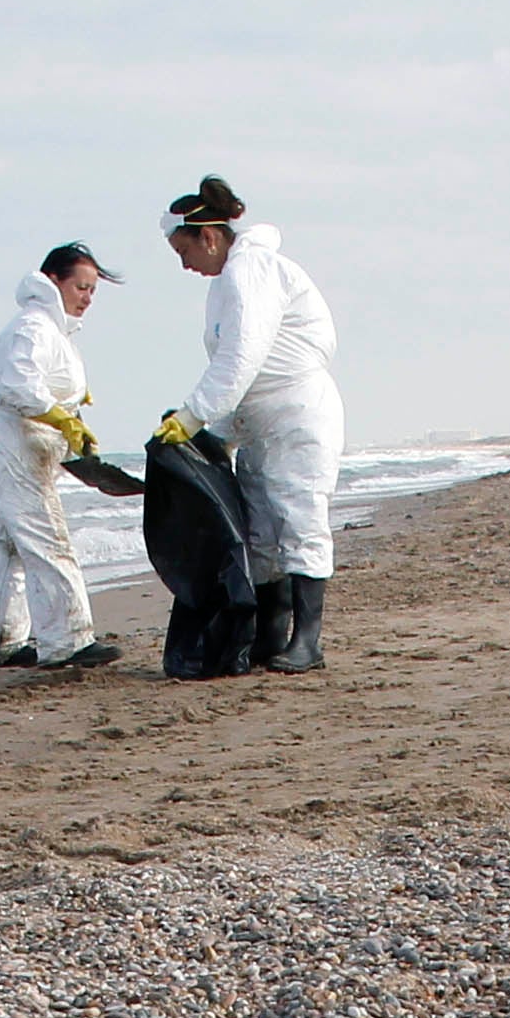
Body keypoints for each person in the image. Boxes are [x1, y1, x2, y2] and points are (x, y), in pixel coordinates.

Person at [153, 177, 341, 673]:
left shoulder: (253, 270)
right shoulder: (229, 283)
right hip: (260, 422)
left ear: (209, 237)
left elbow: (242, 357)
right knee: (261, 533)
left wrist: (194, 415)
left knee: (299, 520)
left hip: (296, 415)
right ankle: (269, 637)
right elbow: (240, 370)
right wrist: (218, 434)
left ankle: (309, 642)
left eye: (183, 249)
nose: (184, 263)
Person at [0, 244, 120, 670]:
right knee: (48, 538)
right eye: (81, 287)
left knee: (14, 546)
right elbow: (20, 386)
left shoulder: (53, 332)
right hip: (8, 442)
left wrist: (69, 406)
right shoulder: (35, 326)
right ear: (53, 281)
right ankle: (67, 641)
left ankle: (6, 643)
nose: (87, 297)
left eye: (92, 291)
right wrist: (61, 417)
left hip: (12, 443)